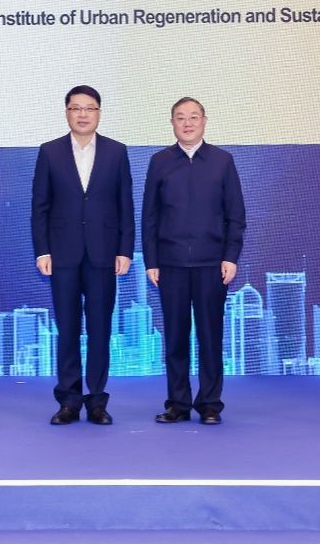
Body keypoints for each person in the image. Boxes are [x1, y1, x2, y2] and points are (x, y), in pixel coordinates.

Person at [31, 85, 134, 426]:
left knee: (101, 330)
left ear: (99, 113)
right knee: (68, 329)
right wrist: (42, 250)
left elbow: (125, 205)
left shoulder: (116, 152)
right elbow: (40, 206)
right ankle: (69, 400)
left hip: (104, 253)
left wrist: (125, 249)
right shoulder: (50, 152)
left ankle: (97, 401)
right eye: (76, 108)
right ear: (67, 113)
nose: (83, 114)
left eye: (89, 108)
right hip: (62, 254)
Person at [142, 97, 245, 425]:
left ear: (204, 121)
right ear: (172, 123)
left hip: (211, 264)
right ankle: (178, 404)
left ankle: (210, 404)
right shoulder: (159, 162)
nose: (187, 123)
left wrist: (230, 257)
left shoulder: (222, 161)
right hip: (170, 264)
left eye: (193, 117)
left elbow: (236, 215)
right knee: (175, 338)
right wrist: (151, 261)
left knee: (210, 338)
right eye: (180, 118)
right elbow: (150, 216)